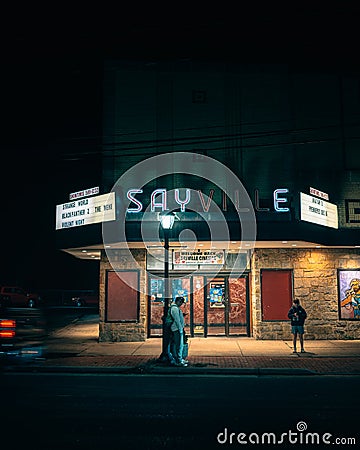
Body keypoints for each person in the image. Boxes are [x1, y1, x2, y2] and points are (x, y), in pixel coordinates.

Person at [169, 296, 188, 366]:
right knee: (179, 345)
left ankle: (180, 359)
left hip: (178, 328)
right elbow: (177, 320)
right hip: (176, 329)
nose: (181, 305)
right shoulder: (174, 309)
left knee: (180, 344)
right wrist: (180, 329)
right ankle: (178, 360)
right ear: (178, 301)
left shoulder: (176, 308)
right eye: (181, 303)